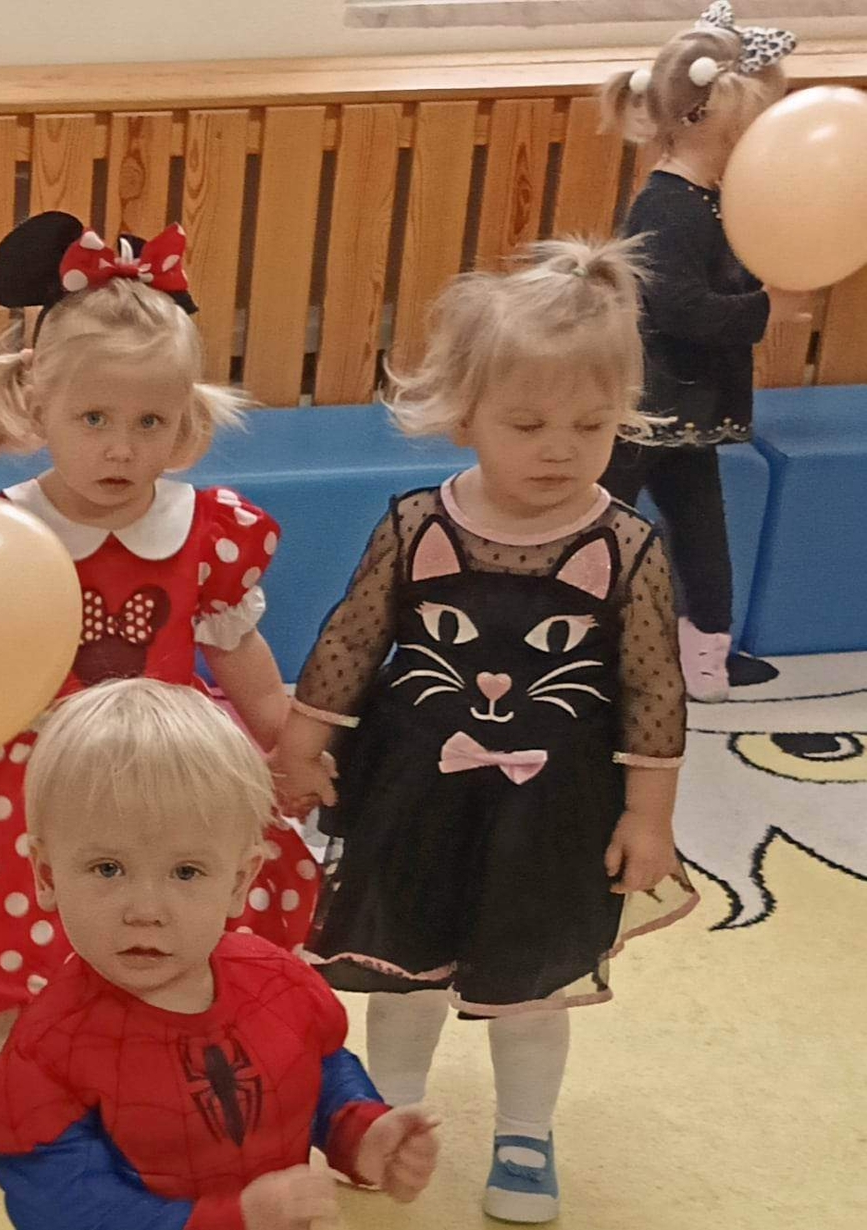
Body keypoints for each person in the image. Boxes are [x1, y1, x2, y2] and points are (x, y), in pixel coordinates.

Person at [276, 236, 699, 1224]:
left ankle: (525, 1132)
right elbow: (350, 640)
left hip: (553, 813)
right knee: (402, 973)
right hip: (414, 796)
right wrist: (301, 745)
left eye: (591, 426)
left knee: (532, 986)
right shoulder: (417, 525)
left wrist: (649, 817)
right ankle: (385, 1118)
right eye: (527, 423)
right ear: (464, 414)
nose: (560, 449)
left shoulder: (625, 546)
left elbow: (654, 690)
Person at [0, 212, 319, 1146]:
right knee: (10, 916)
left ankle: (135, 1051)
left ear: (184, 421)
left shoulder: (208, 531)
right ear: (36, 407)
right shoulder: (1, 533)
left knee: (153, 913)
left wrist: (284, 742)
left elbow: (239, 653)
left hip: (159, 766)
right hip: (26, 772)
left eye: (149, 422)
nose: (122, 448)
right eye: (94, 420)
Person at [0, 677, 438, 1230]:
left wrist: (361, 1132)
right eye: (108, 868)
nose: (146, 910)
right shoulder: (45, 1056)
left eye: (186, 872)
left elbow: (315, 1071)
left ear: (240, 881)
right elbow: (62, 1208)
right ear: (47, 875)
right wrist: (237, 1217)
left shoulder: (278, 983)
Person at [600, 1, 808, 701]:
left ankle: (705, 658)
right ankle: (583, 645)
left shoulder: (711, 201)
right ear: (717, 121)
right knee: (602, 529)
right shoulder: (666, 207)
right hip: (644, 407)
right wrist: (765, 308)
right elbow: (678, 308)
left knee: (701, 535)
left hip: (689, 408)